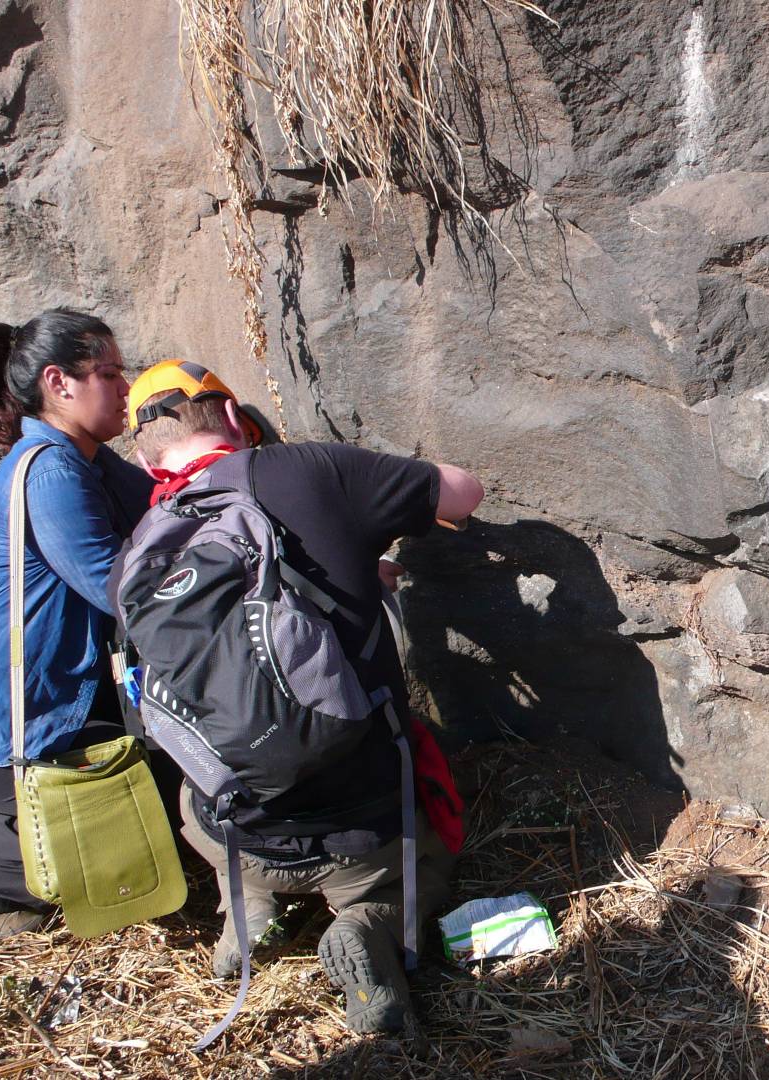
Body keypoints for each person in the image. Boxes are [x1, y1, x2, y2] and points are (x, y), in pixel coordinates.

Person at [121, 359, 482, 1036]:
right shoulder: (303, 470)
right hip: (363, 832)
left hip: (229, 826)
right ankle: (369, 926)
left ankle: (247, 907)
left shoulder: (142, 550)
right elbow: (464, 494)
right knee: (428, 857)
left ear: (150, 466)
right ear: (234, 418)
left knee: (200, 798)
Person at [0, 309, 153, 938]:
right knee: (140, 805)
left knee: (159, 780)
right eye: (109, 374)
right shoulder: (50, 468)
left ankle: (30, 835)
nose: (127, 389)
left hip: (30, 703)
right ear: (58, 383)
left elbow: (160, 501)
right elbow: (116, 586)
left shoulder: (86, 458)